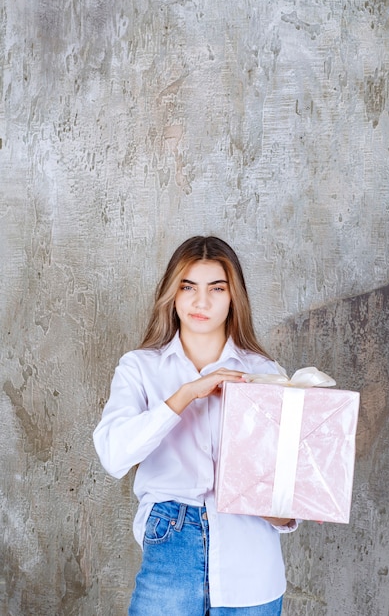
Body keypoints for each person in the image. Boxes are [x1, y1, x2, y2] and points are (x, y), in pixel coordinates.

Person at [93, 236, 298, 616]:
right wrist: (186, 395)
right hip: (170, 545)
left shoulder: (265, 374)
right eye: (188, 287)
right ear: (172, 293)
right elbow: (113, 454)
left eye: (216, 289)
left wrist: (282, 508)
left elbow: (286, 494)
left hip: (250, 561)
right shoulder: (139, 368)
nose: (200, 302)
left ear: (233, 296)